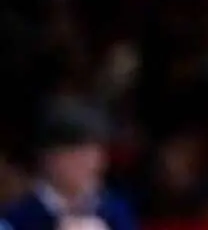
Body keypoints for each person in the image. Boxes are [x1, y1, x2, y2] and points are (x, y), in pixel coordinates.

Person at [0, 97, 137, 230]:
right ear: (49, 158)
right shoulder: (19, 216)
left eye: (94, 155)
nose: (89, 165)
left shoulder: (115, 210)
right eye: (77, 156)